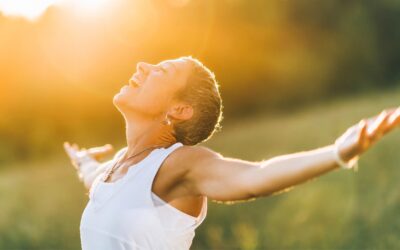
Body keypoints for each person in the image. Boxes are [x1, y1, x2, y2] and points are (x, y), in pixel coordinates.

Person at [63, 55, 400, 250]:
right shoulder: (118, 168)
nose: (141, 66)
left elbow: (256, 177)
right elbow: (94, 180)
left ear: (179, 109)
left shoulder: (177, 164)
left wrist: (338, 152)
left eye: (159, 72)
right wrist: (83, 160)